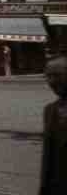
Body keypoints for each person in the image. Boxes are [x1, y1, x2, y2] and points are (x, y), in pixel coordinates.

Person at [39, 56, 67, 195]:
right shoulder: (49, 110)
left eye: (57, 75)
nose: (52, 81)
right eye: (48, 76)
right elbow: (48, 157)